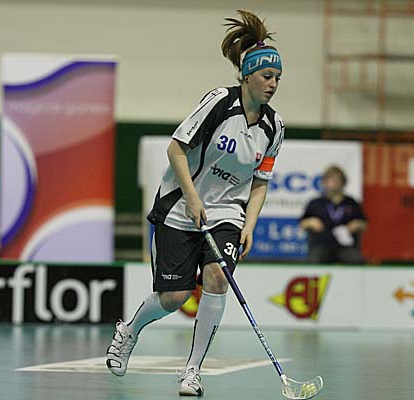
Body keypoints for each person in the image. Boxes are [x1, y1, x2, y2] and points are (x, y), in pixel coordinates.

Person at [106, 10, 284, 396]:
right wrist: (192, 197)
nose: (272, 84)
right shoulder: (220, 102)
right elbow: (176, 149)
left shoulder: (274, 128)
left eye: (277, 78)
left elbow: (260, 182)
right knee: (175, 297)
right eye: (267, 76)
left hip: (227, 213)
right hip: (180, 206)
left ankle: (192, 371)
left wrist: (249, 225)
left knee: (218, 278)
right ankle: (130, 331)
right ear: (247, 75)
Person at [299, 165, 367, 264]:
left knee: (356, 259)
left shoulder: (351, 203)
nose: (334, 183)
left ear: (343, 182)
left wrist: (357, 225)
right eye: (330, 179)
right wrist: (310, 222)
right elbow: (302, 223)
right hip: (322, 245)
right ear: (324, 182)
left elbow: (363, 223)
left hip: (345, 246)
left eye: (337, 180)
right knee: (315, 259)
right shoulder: (316, 203)